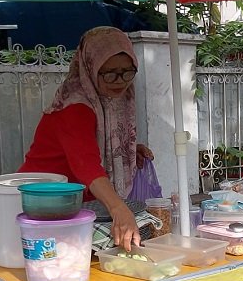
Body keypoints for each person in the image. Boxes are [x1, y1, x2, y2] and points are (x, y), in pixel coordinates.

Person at [20, 27, 154, 251]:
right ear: (91, 67)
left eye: (127, 72)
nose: (119, 80)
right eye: (109, 72)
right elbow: (86, 164)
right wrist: (119, 209)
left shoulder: (107, 97)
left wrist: (128, 149)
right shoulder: (75, 107)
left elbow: (95, 143)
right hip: (43, 202)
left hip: (75, 203)